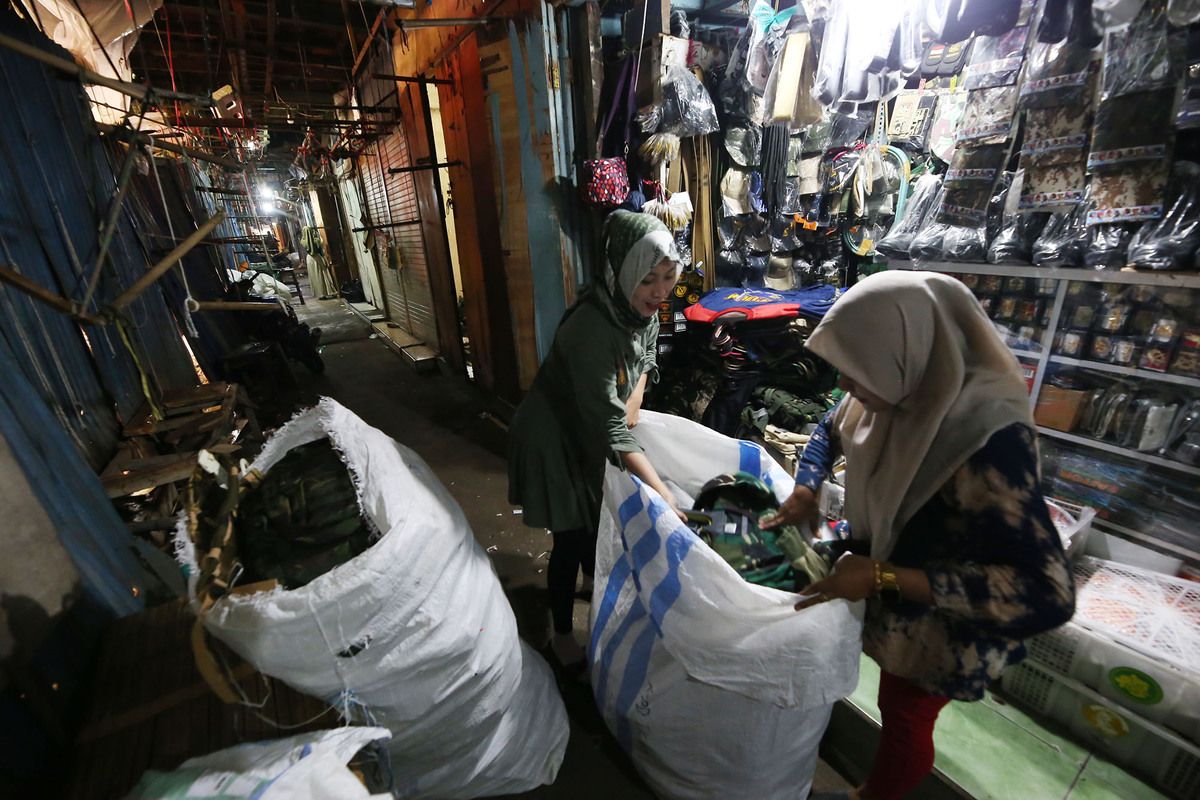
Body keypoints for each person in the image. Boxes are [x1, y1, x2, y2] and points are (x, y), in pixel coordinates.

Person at [761, 271, 1075, 800]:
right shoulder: (896, 387)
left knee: (906, 717)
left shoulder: (987, 444)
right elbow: (827, 429)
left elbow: (1049, 594)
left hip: (942, 627)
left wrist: (884, 575)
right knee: (891, 702)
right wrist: (807, 487)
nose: (844, 388)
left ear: (904, 353)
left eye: (855, 373)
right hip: (891, 586)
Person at [508, 210, 686, 671]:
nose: (660, 292)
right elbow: (611, 428)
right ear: (623, 271)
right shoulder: (592, 327)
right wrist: (663, 493)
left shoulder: (635, 310)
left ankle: (593, 583)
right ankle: (562, 636)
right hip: (556, 434)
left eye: (668, 277)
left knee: (597, 521)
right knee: (572, 534)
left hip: (593, 426)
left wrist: (632, 403)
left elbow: (646, 356)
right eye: (648, 279)